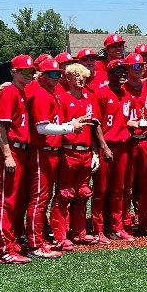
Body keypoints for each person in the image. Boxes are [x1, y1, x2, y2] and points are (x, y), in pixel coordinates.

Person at [26, 58, 90, 258]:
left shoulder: (51, 94)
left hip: (55, 152)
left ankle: (46, 238)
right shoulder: (42, 94)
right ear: (42, 76)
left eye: (58, 74)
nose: (57, 77)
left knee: (72, 194)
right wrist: (70, 127)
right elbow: (42, 127)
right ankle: (37, 243)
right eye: (52, 74)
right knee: (42, 198)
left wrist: (71, 123)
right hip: (43, 150)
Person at [50, 63, 99, 249]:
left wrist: (94, 152)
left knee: (83, 193)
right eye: (77, 76)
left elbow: (92, 129)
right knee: (64, 194)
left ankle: (79, 233)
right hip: (68, 152)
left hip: (85, 153)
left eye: (83, 76)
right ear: (68, 79)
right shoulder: (61, 99)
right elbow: (58, 128)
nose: (80, 79)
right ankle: (60, 236)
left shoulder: (88, 99)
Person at [0, 55, 35, 264]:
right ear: (13, 71)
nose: (28, 74)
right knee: (6, 201)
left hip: (20, 150)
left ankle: (12, 243)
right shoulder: (9, 91)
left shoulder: (21, 91)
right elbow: (0, 126)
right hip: (9, 150)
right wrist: (8, 155)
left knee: (15, 200)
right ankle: (3, 250)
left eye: (31, 71)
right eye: (24, 71)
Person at [92, 59, 137, 241]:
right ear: (109, 75)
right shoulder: (101, 93)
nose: (123, 74)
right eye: (117, 71)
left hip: (123, 146)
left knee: (119, 189)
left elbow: (129, 120)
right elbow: (96, 124)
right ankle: (98, 229)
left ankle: (116, 227)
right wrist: (104, 147)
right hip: (107, 147)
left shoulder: (127, 95)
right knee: (101, 189)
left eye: (124, 71)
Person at [123, 53, 147, 235]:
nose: (141, 68)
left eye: (142, 65)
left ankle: (144, 220)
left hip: (146, 141)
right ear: (127, 69)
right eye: (136, 66)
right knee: (126, 185)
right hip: (127, 141)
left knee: (144, 184)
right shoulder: (121, 88)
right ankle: (125, 222)